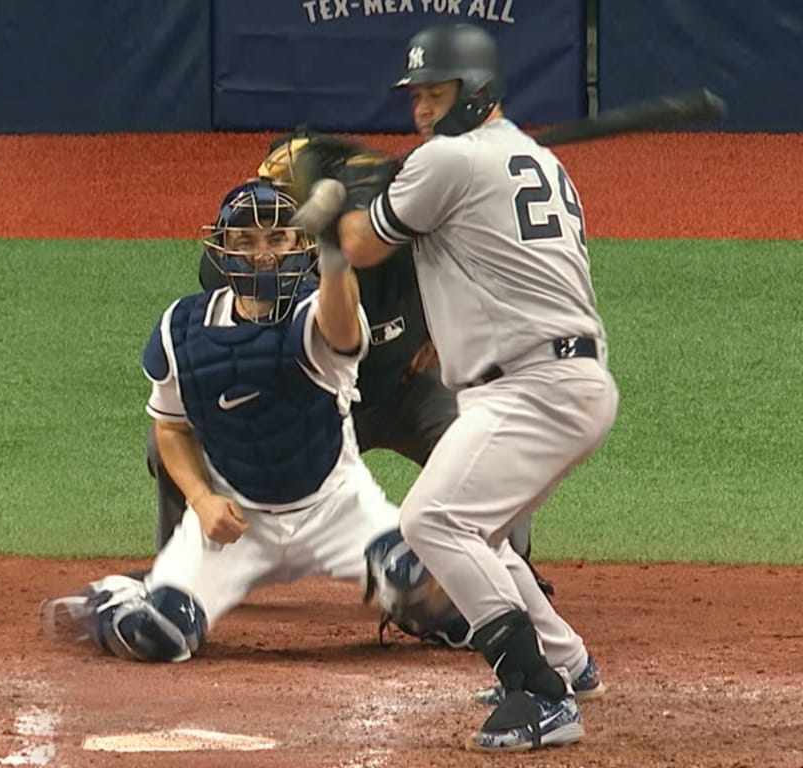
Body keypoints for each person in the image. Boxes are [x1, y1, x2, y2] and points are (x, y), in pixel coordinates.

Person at [312, 23, 616, 752]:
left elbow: (361, 245)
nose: (421, 108)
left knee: (433, 522)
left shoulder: (448, 160)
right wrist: (380, 186)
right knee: (475, 529)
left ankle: (535, 693)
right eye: (416, 95)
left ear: (475, 91)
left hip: (532, 388)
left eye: (435, 92)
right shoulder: (530, 158)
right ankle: (567, 663)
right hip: (551, 382)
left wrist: (335, 202)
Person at [144, 130, 554, 609]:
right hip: (311, 403)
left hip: (408, 391)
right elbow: (227, 273)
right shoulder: (274, 249)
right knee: (168, 439)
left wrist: (455, 326)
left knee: (486, 440)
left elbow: (487, 266)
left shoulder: (408, 235)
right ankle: (178, 576)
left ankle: (509, 571)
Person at [41, 178, 410, 663]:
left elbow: (340, 326)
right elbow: (170, 428)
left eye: (277, 239)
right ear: (222, 250)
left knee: (431, 594)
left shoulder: (317, 312)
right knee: (155, 635)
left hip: (339, 508)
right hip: (236, 518)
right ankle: (114, 598)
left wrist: (336, 254)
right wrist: (201, 499)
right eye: (245, 241)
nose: (263, 255)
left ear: (301, 246)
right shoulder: (182, 330)